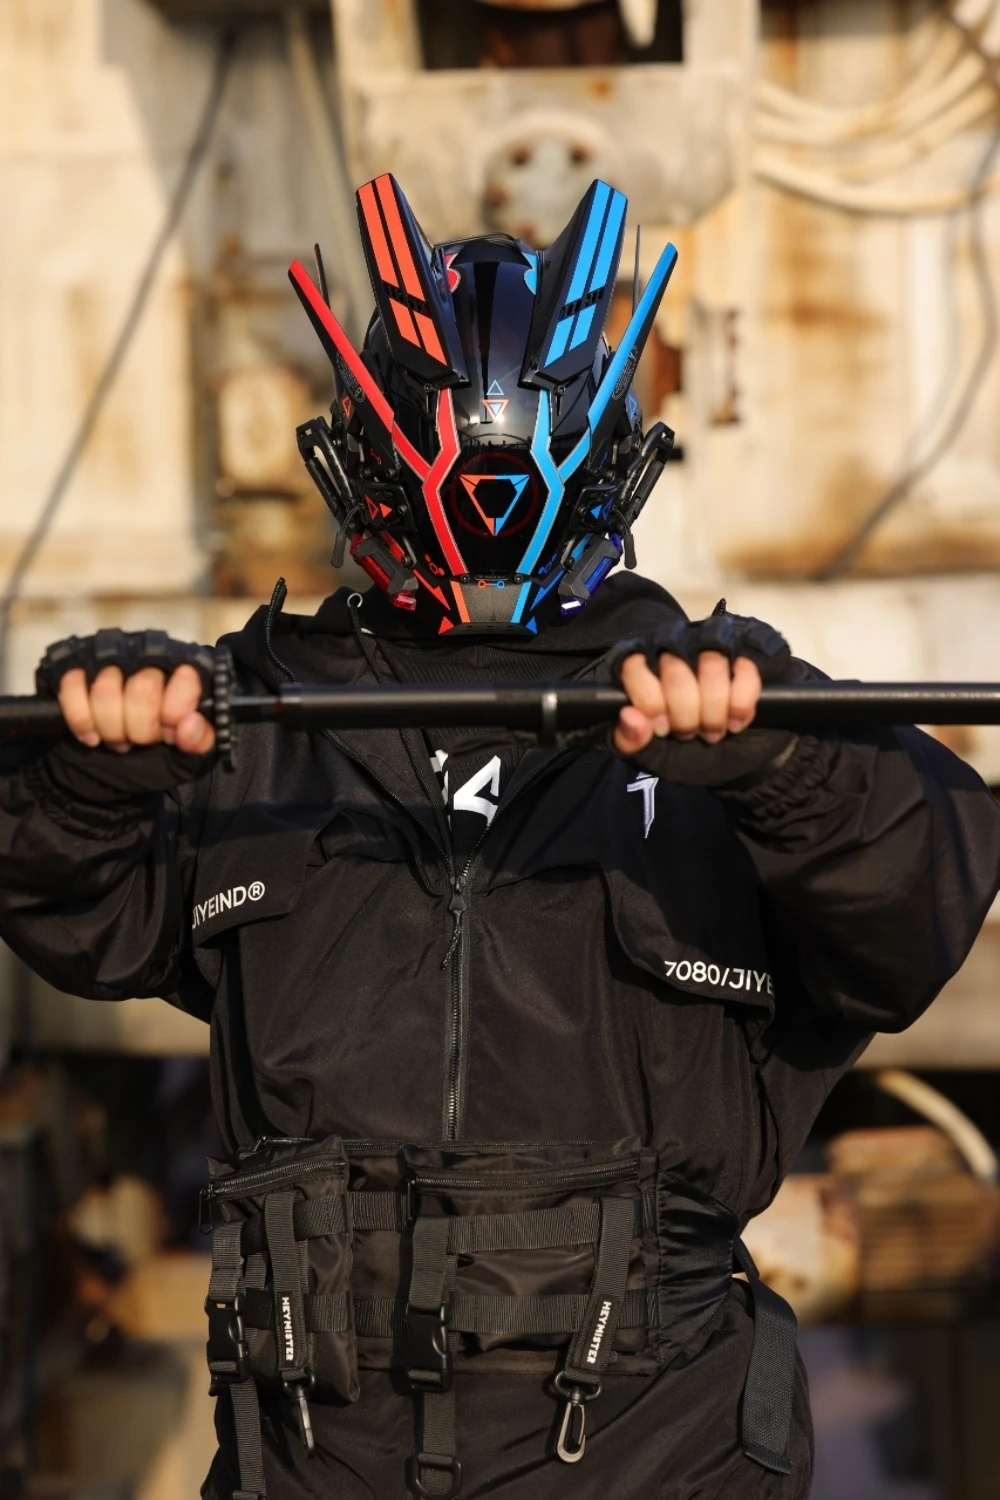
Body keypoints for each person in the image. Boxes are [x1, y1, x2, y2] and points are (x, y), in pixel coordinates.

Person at [1, 177, 998, 1500]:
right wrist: (89, 764)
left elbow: (923, 901)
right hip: (311, 1454)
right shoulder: (253, 714)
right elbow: (63, 900)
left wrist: (788, 760)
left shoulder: (734, 709)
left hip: (653, 1458)